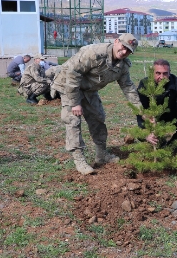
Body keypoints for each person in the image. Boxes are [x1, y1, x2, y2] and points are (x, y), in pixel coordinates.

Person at [51, 33, 142, 175]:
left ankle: (101, 155)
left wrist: (141, 111)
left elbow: (128, 88)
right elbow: (73, 73)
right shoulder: (94, 53)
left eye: (129, 50)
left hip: (89, 89)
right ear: (116, 41)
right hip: (68, 85)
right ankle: (79, 159)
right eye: (123, 47)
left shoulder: (122, 65)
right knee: (73, 120)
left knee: (98, 117)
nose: (124, 52)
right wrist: (75, 103)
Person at [136, 59, 177, 150]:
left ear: (169, 73)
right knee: (142, 135)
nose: (162, 77)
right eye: (158, 73)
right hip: (153, 120)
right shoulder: (145, 84)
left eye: (165, 73)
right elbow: (141, 110)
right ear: (152, 73)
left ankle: (172, 143)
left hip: (172, 119)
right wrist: (146, 132)